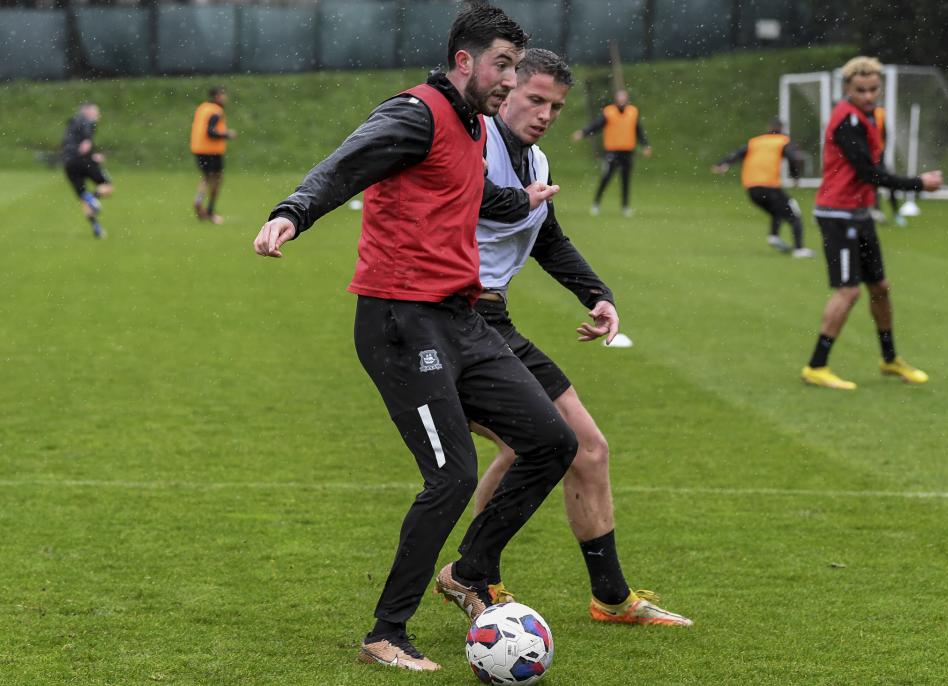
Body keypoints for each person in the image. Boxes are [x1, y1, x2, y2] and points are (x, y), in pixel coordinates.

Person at [253, 3, 577, 672]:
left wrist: (523, 201)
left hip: (459, 318)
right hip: (400, 321)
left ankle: (470, 571)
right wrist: (292, 212)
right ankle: (386, 633)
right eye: (503, 66)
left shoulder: (472, 124)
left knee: (553, 441)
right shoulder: (415, 113)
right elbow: (344, 166)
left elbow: (471, 195)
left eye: (516, 67)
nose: (511, 81)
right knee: (453, 476)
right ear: (464, 61)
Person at [474, 48, 692, 627]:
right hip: (447, 324)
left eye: (556, 106)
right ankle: (477, 579)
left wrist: (597, 295)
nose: (546, 114)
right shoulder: (470, 142)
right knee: (530, 443)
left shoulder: (537, 161)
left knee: (589, 448)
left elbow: (547, 238)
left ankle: (611, 599)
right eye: (535, 100)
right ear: (506, 91)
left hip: (495, 322)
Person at [801, 56, 942, 390]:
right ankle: (816, 366)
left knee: (879, 287)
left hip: (860, 213)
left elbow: (875, 169)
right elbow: (868, 173)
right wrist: (918, 184)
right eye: (860, 90)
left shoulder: (873, 116)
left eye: (873, 89)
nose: (868, 95)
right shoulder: (846, 121)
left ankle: (889, 359)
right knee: (848, 291)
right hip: (837, 214)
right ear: (847, 89)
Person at [712, 117, 813, 258]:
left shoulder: (756, 141)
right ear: (782, 128)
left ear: (768, 128)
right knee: (794, 214)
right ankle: (799, 249)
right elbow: (793, 157)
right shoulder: (783, 141)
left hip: (752, 189)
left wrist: (723, 164)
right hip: (769, 187)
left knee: (777, 210)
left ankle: (774, 237)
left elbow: (737, 153)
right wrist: (795, 176)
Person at [571, 88, 651, 217]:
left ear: (627, 98)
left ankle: (625, 207)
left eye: (623, 97)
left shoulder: (633, 112)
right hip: (613, 151)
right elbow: (597, 125)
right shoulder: (609, 112)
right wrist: (583, 132)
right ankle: (596, 204)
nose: (622, 99)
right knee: (606, 177)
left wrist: (645, 144)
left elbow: (638, 130)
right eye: (620, 97)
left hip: (627, 151)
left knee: (626, 179)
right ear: (616, 98)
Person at [62, 102, 113, 239]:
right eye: (96, 112)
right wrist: (93, 157)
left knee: (83, 196)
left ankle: (96, 227)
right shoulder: (88, 123)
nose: (98, 115)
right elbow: (84, 147)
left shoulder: (72, 124)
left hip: (68, 164)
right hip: (83, 161)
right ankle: (93, 198)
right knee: (108, 186)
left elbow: (69, 146)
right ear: (88, 111)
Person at [190, 86, 236, 224]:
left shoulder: (202, 107)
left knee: (206, 177)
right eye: (223, 95)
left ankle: (198, 201)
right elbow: (210, 132)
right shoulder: (216, 111)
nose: (225, 98)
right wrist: (227, 134)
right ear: (217, 97)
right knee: (217, 179)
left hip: (198, 148)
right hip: (212, 150)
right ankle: (210, 211)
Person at [871, 105, 906, 226]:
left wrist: (881, 150)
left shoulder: (879, 113)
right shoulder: (856, 114)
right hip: (866, 159)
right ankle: (877, 212)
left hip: (878, 157)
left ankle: (896, 213)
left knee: (890, 183)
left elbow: (885, 134)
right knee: (872, 186)